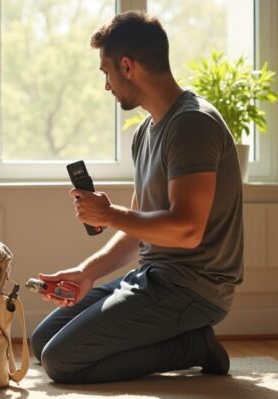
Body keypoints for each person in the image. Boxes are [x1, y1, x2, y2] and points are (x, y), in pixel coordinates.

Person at [30, 10, 243, 384]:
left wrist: (110, 214)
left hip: (192, 289)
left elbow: (187, 230)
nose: (107, 85)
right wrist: (87, 272)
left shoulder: (193, 124)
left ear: (127, 66)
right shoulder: (146, 133)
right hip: (151, 278)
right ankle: (178, 340)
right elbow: (141, 226)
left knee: (62, 362)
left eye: (106, 73)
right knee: (43, 340)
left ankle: (193, 346)